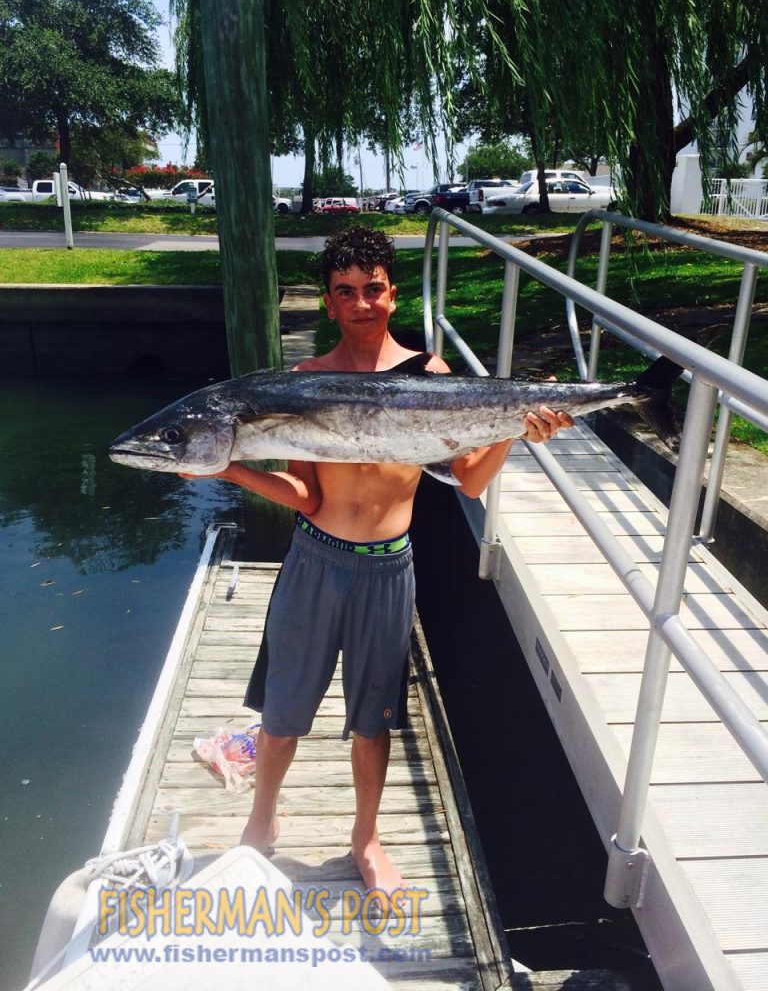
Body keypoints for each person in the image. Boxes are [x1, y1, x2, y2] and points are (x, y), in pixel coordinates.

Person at [181, 226, 573, 896]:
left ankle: (366, 840)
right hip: (315, 560)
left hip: (389, 568)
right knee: (282, 709)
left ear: (393, 295)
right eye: (345, 293)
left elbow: (471, 482)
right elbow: (305, 495)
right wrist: (229, 469)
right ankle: (261, 828)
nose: (361, 303)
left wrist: (519, 428)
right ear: (329, 304)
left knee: (374, 720)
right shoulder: (306, 382)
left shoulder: (433, 376)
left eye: (373, 290)